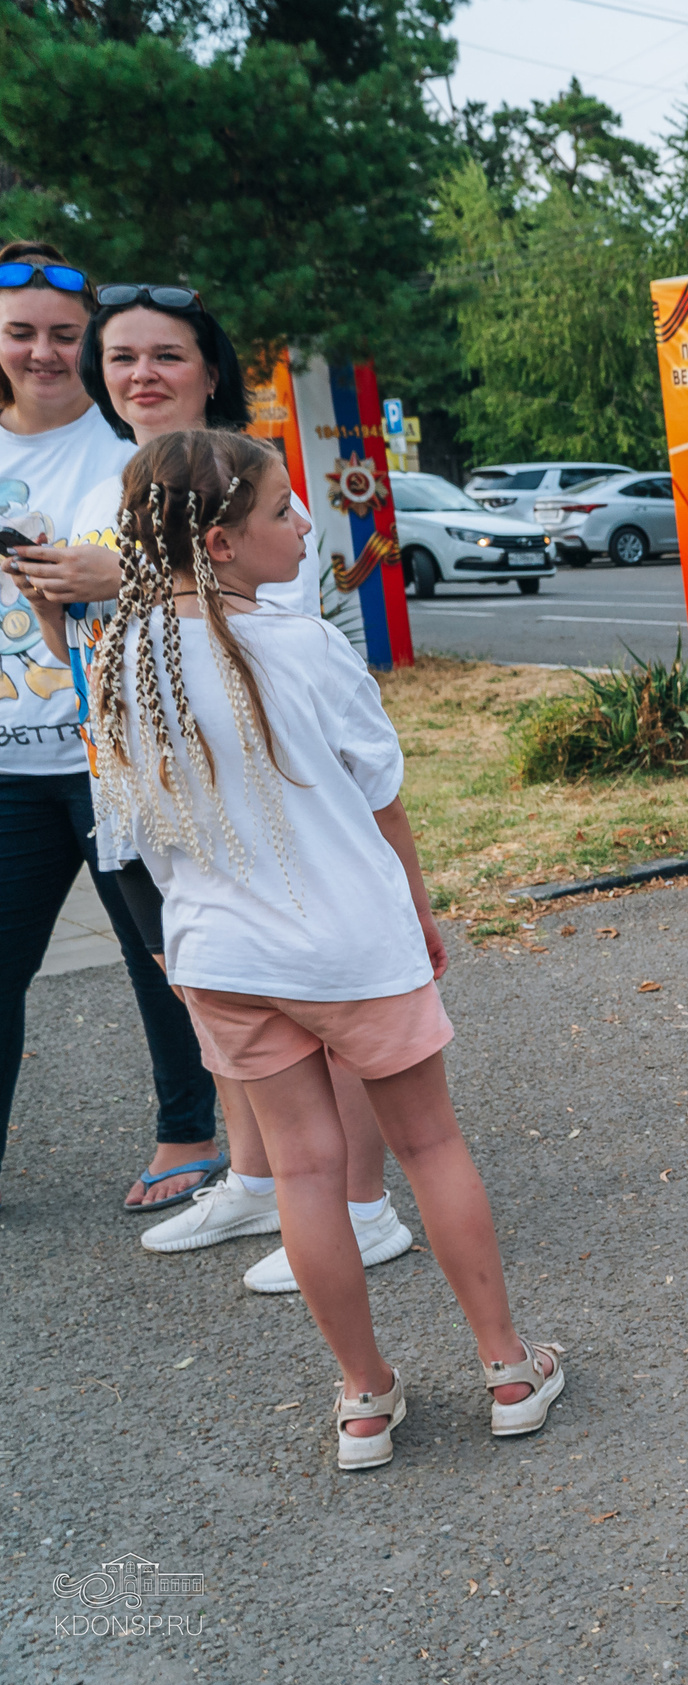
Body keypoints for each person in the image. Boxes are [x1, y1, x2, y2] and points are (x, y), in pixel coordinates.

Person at [92, 428, 564, 1470]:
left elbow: (129, 831)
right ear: (220, 542)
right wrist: (420, 914)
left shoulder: (123, 656)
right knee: (428, 1147)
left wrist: (175, 945)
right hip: (349, 941)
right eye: (280, 510)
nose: (304, 524)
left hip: (222, 955)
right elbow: (380, 795)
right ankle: (508, 1369)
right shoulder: (301, 645)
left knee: (302, 1172)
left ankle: (363, 1399)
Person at [9, 286, 407, 1279]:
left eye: (167, 356)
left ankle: (360, 1205)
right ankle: (260, 1181)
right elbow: (86, 659)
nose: (141, 375)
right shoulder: (103, 488)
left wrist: (122, 578)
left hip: (265, 797)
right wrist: (57, 600)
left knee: (324, 1001)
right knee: (213, 994)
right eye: (121, 357)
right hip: (139, 797)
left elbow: (281, 622)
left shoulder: (257, 482)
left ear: (210, 370)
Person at [0, 244, 220, 1203]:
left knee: (168, 954)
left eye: (64, 335)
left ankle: (192, 1133)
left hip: (116, 755)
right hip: (8, 762)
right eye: (21, 333)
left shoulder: (134, 436)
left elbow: (234, 577)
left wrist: (112, 573)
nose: (43, 353)